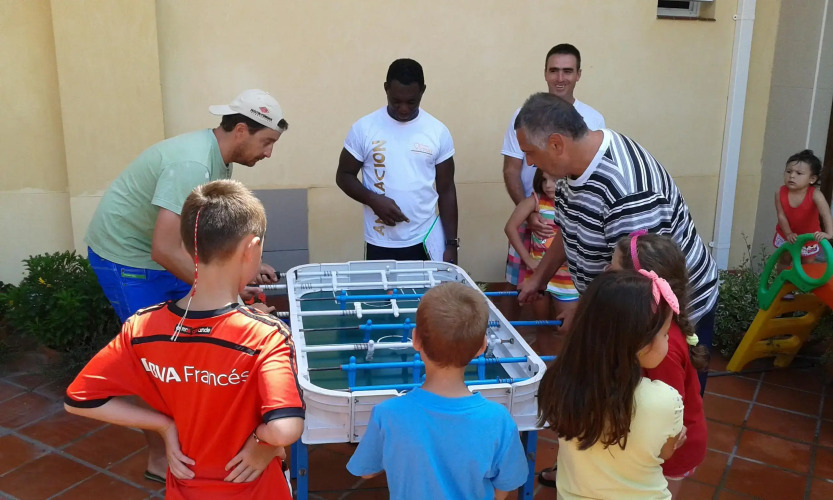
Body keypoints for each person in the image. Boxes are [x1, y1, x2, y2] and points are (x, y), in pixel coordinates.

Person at [84, 88, 288, 480]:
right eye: (266, 142)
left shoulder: (219, 159)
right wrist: (227, 291)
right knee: (152, 358)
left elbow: (201, 229)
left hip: (160, 252)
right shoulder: (192, 163)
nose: (268, 153)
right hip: (128, 259)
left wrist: (241, 267)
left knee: (189, 344)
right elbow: (164, 249)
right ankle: (159, 459)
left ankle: (192, 435)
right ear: (241, 130)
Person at [65, 180, 305, 499]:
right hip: (256, 489)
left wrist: (164, 426)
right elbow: (284, 428)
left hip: (186, 487)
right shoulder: (267, 335)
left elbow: (79, 399)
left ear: (188, 247)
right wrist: (264, 442)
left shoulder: (141, 327)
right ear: (252, 248)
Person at [514, 92, 718, 388]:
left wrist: (584, 313)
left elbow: (640, 288)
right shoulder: (572, 166)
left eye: (530, 152)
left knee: (663, 405)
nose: (530, 162)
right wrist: (539, 277)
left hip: (664, 320)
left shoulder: (627, 191)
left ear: (557, 144)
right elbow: (570, 227)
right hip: (623, 306)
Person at [346, 282, 529, 499]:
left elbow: (366, 471)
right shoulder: (499, 420)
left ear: (415, 339)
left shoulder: (387, 414)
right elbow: (506, 484)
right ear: (482, 347)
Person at [537, 270, 686, 499]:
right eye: (665, 334)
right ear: (639, 342)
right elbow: (665, 453)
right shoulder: (666, 400)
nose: (668, 340)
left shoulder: (559, 382)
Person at [611, 232, 708, 497]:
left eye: (614, 269)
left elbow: (669, 412)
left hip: (673, 449)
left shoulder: (661, 348)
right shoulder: (651, 330)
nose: (606, 271)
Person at [336, 58, 459, 263]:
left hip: (425, 241)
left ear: (423, 91)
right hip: (380, 242)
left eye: (411, 102)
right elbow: (343, 175)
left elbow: (446, 189)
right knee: (380, 287)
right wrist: (373, 200)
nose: (403, 109)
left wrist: (452, 244)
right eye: (396, 101)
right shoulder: (364, 128)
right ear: (386, 88)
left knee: (426, 287)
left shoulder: (438, 132)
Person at [502, 44, 604, 288]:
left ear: (578, 74)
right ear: (545, 73)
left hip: (574, 222)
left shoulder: (593, 118)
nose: (560, 78)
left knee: (568, 291)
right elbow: (511, 169)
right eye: (554, 70)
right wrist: (529, 213)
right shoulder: (523, 116)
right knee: (524, 290)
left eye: (567, 71)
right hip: (534, 216)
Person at [504, 168, 578, 329]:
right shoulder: (536, 200)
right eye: (544, 180)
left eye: (554, 180)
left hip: (567, 279)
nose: (548, 185)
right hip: (537, 275)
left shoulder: (575, 203)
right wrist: (528, 260)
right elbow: (510, 227)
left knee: (567, 329)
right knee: (542, 327)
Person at [773, 149, 833, 270]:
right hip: (787, 234)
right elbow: (781, 215)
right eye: (788, 171)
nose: (792, 176)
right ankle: (782, 281)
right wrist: (788, 233)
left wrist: (829, 233)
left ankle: (801, 283)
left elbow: (826, 214)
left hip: (809, 237)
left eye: (799, 173)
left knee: (807, 264)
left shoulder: (816, 195)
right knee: (784, 260)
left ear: (812, 179)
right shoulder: (779, 192)